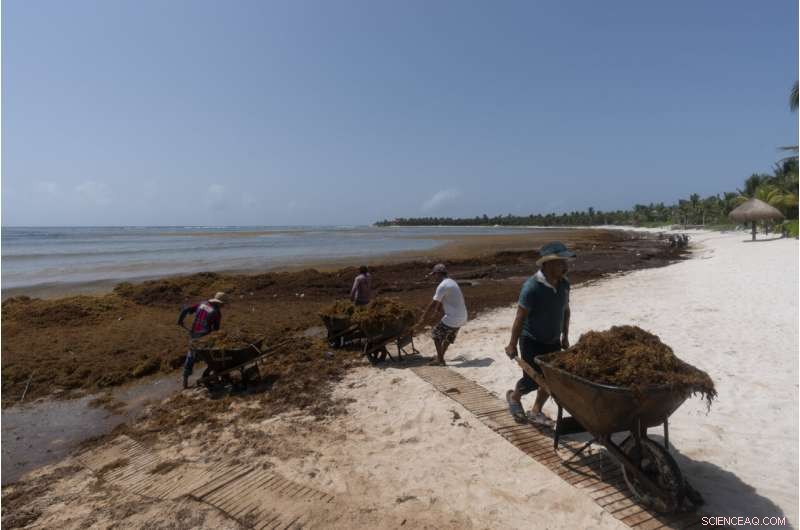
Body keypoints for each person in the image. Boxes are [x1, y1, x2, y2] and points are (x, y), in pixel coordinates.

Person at [505, 242, 575, 426]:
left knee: (550, 379)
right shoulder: (532, 288)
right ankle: (514, 397)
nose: (566, 267)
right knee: (532, 380)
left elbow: (565, 310)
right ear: (547, 264)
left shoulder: (564, 284)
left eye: (565, 262)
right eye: (561, 263)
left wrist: (565, 336)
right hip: (531, 340)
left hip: (553, 340)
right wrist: (512, 344)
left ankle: (536, 410)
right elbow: (520, 318)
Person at [418, 264, 468, 366]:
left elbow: (432, 304)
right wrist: (438, 310)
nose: (434, 277)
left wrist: (423, 317)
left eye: (434, 274)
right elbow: (440, 302)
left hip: (453, 318)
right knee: (448, 337)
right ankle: (440, 356)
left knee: (435, 335)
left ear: (439, 274)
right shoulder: (451, 282)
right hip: (463, 317)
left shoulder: (442, 286)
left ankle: (440, 360)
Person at [177, 291, 226, 389]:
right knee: (212, 357)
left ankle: (185, 383)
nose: (222, 306)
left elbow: (186, 309)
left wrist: (180, 321)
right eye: (222, 304)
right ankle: (216, 378)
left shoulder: (202, 304)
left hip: (194, 335)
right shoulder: (216, 313)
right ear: (219, 303)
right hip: (204, 337)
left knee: (191, 356)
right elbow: (215, 331)